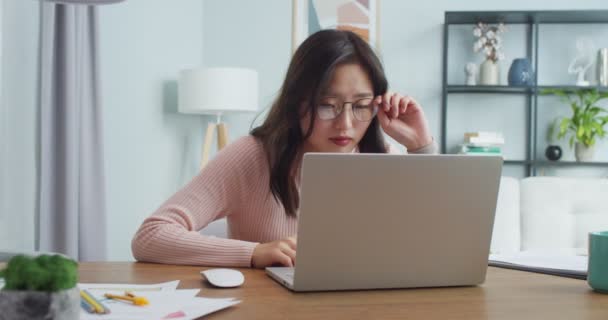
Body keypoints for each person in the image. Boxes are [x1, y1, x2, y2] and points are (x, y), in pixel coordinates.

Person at [131, 29, 438, 268]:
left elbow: (433, 242)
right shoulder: (251, 156)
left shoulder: (382, 158)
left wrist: (420, 146)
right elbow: (150, 236)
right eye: (326, 106)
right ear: (297, 101)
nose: (345, 125)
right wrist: (254, 253)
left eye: (360, 106)